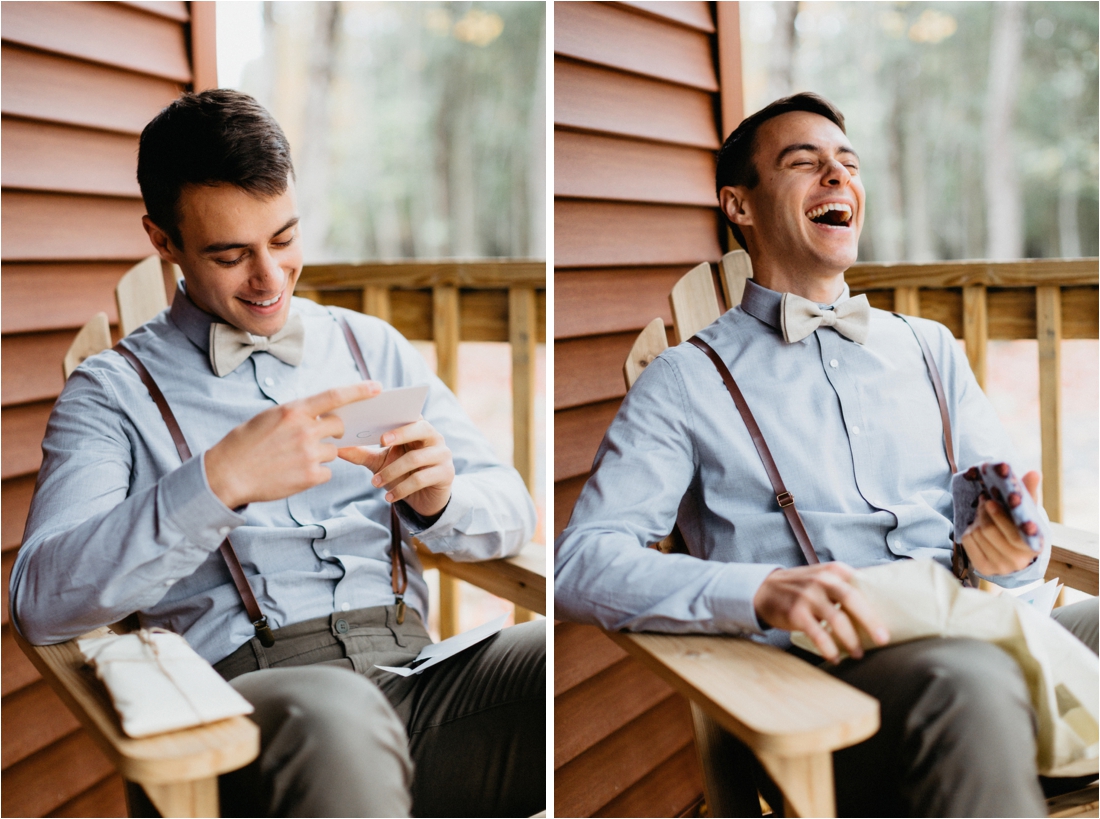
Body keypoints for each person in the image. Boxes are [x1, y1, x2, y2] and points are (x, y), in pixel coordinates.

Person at [554, 92, 1097, 817]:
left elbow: (1013, 546)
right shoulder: (685, 381)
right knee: (968, 681)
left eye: (847, 164)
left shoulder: (928, 348)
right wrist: (756, 589)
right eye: (805, 164)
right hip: (840, 683)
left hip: (981, 618)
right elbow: (581, 563)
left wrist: (1012, 549)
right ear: (738, 206)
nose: (837, 177)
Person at [11, 89, 544, 818]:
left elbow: (513, 508)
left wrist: (442, 499)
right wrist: (218, 481)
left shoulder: (370, 346)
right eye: (231, 255)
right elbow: (40, 599)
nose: (270, 279)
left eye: (285, 239)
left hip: (420, 679)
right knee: (334, 716)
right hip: (253, 708)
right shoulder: (112, 392)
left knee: (555, 652)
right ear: (162, 240)